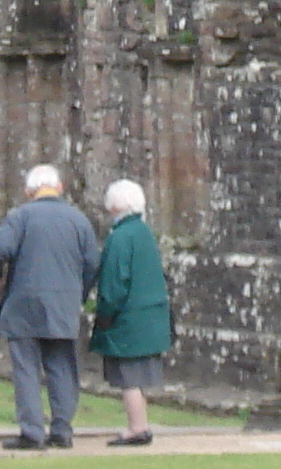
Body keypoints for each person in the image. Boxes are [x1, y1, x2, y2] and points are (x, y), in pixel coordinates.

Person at [0, 163, 100, 451]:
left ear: (28, 191)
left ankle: (32, 432)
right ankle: (62, 430)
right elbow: (93, 263)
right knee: (62, 366)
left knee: (26, 368)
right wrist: (78, 294)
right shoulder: (79, 220)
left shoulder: (20, 216)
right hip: (64, 303)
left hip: (24, 303)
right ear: (59, 188)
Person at [89, 179, 172, 447]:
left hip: (129, 319)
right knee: (136, 377)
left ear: (115, 205)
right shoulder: (144, 232)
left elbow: (114, 283)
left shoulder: (120, 237)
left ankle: (137, 428)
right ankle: (140, 424)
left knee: (130, 378)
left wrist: (103, 315)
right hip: (150, 316)